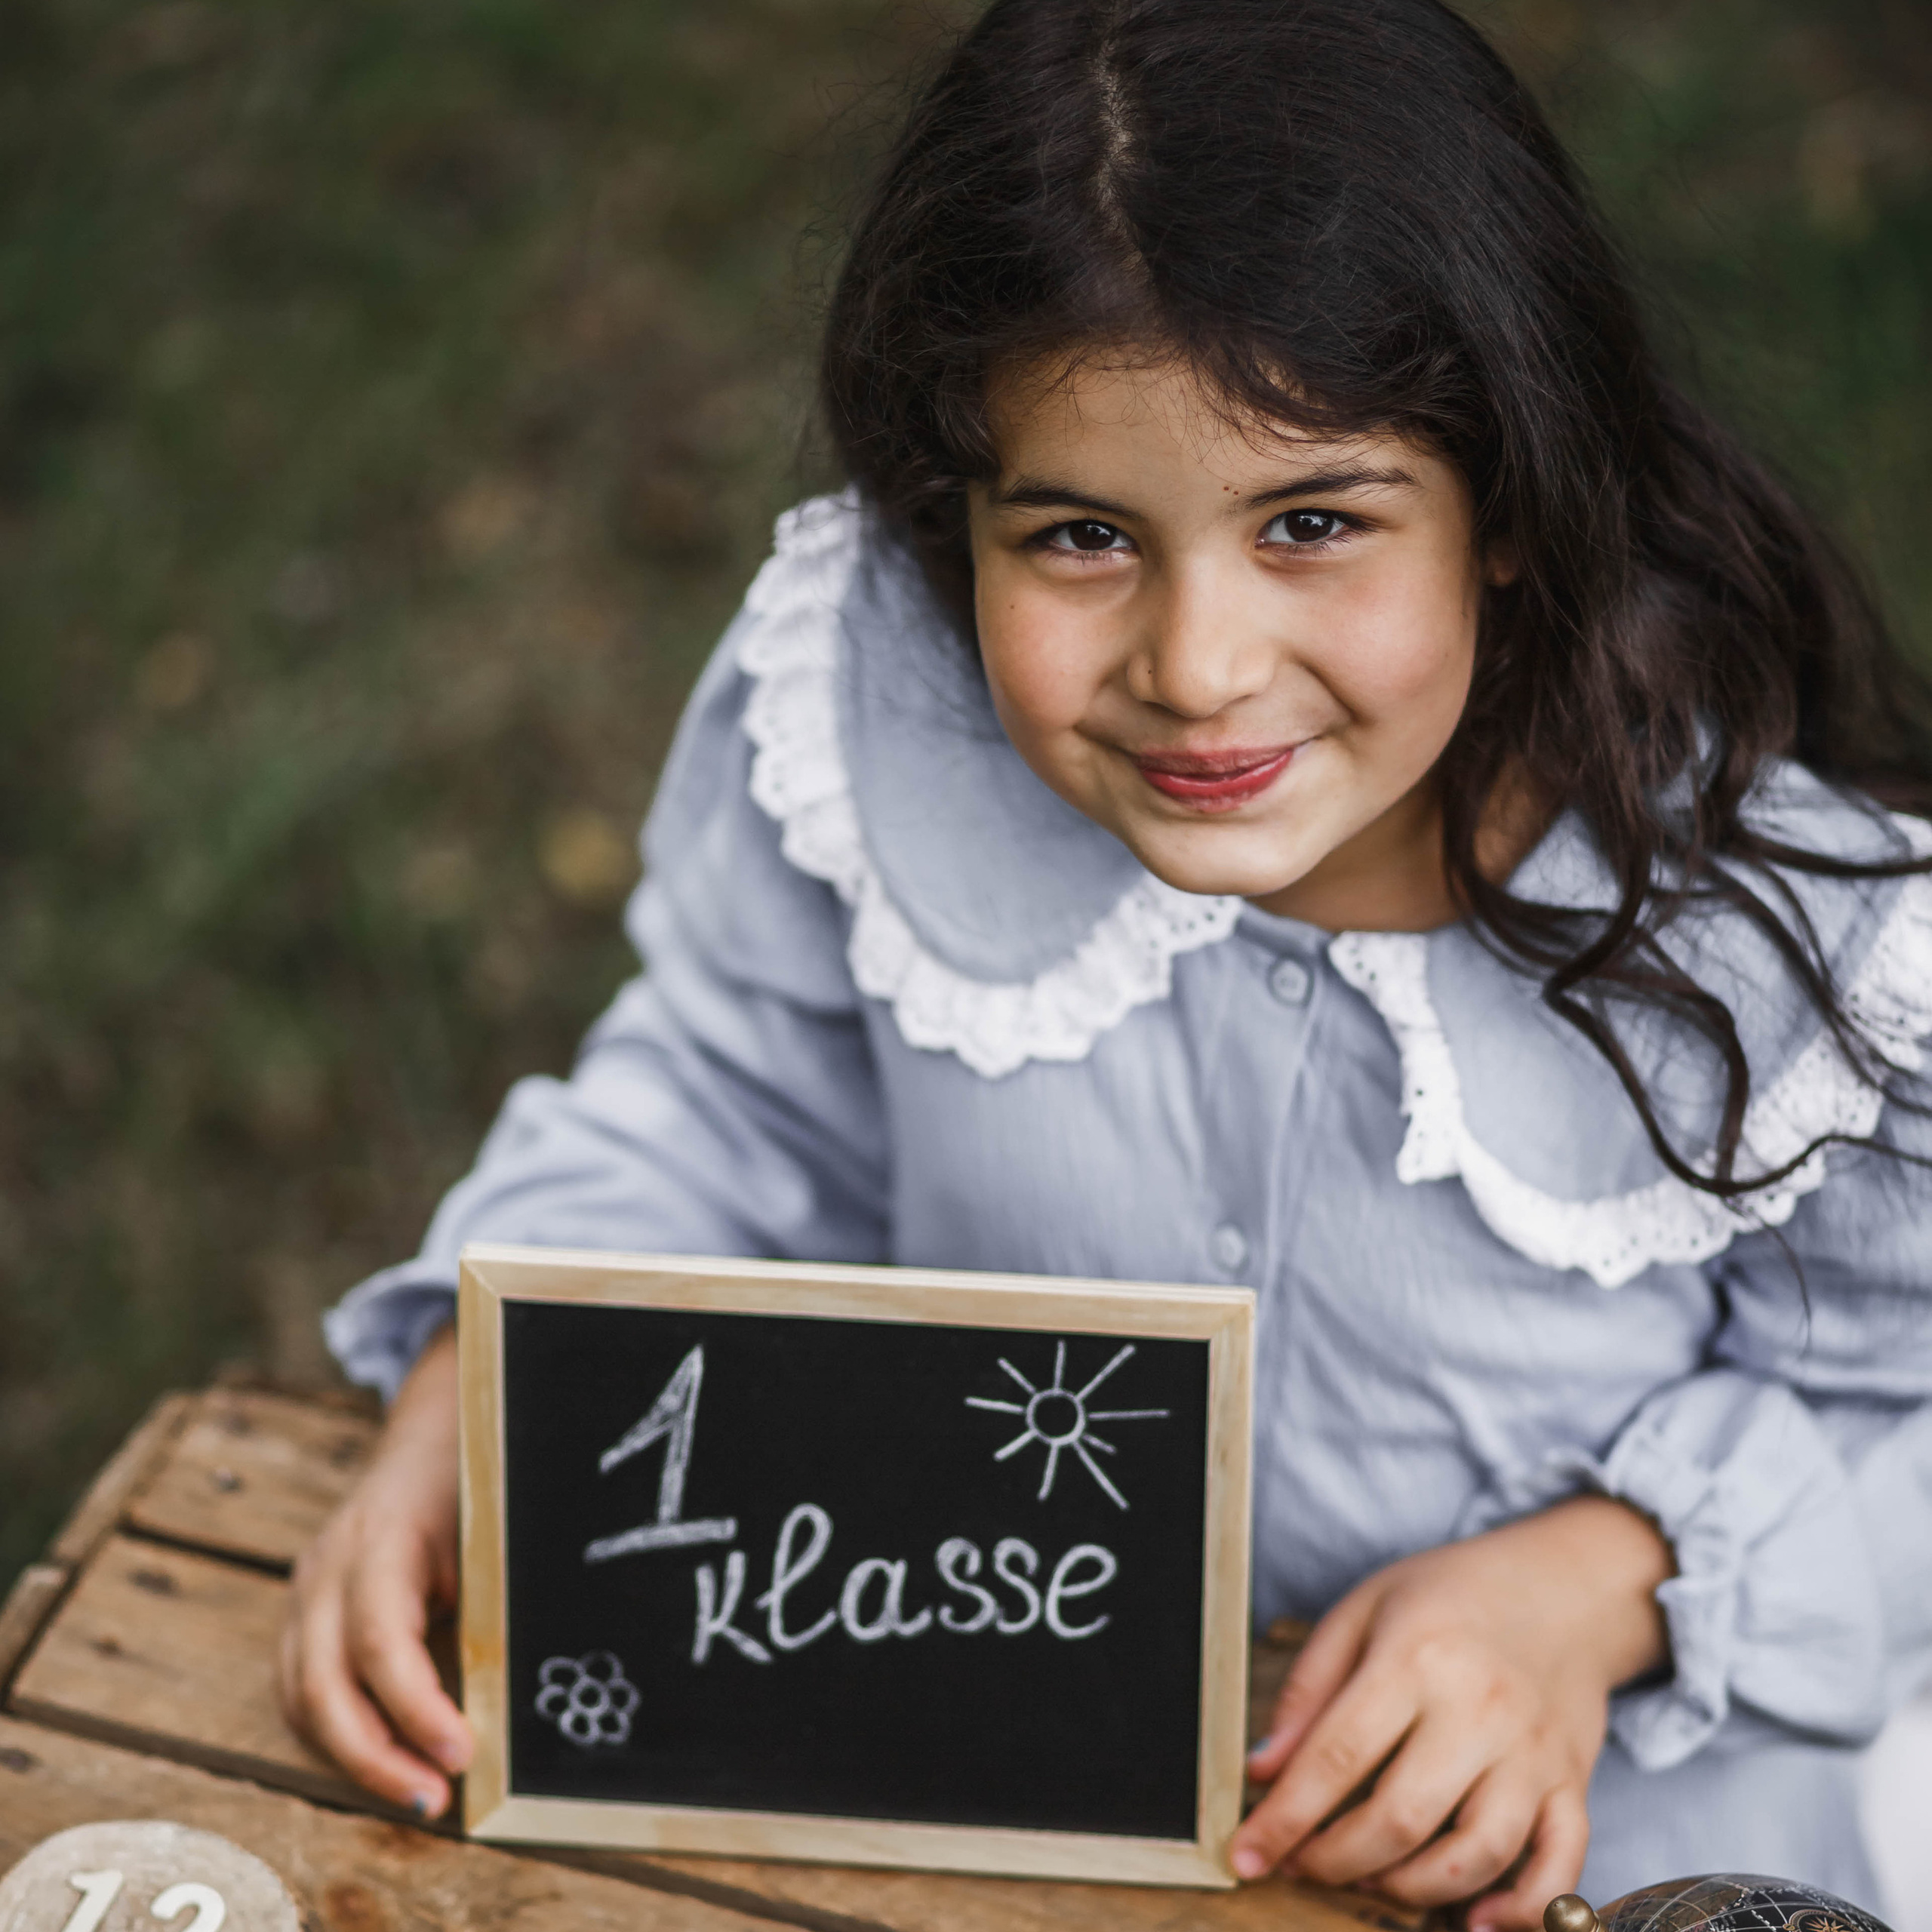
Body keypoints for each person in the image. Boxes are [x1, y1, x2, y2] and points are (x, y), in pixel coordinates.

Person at [278, 0, 1932, 1921]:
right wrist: (502, 1372)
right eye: (1076, 534)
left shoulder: (1797, 959)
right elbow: (723, 1101)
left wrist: (1603, 1581)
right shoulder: (883, 725)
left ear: (1509, 502)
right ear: (952, 507)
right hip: (954, 1788)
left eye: (1311, 519)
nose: (1194, 664)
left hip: (1571, 1865)